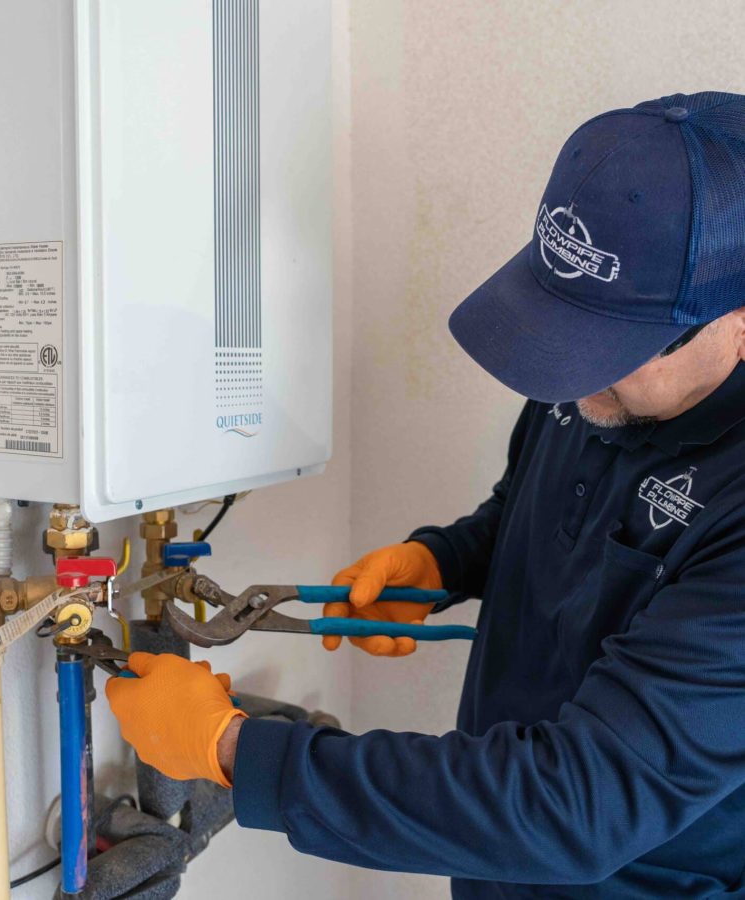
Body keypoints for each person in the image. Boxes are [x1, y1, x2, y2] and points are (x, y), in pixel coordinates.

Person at [107, 91, 745, 897]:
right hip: (494, 877)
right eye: (566, 324)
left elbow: (573, 808)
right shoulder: (592, 381)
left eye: (610, 345)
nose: (572, 370)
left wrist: (236, 752)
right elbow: (536, 504)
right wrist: (444, 560)